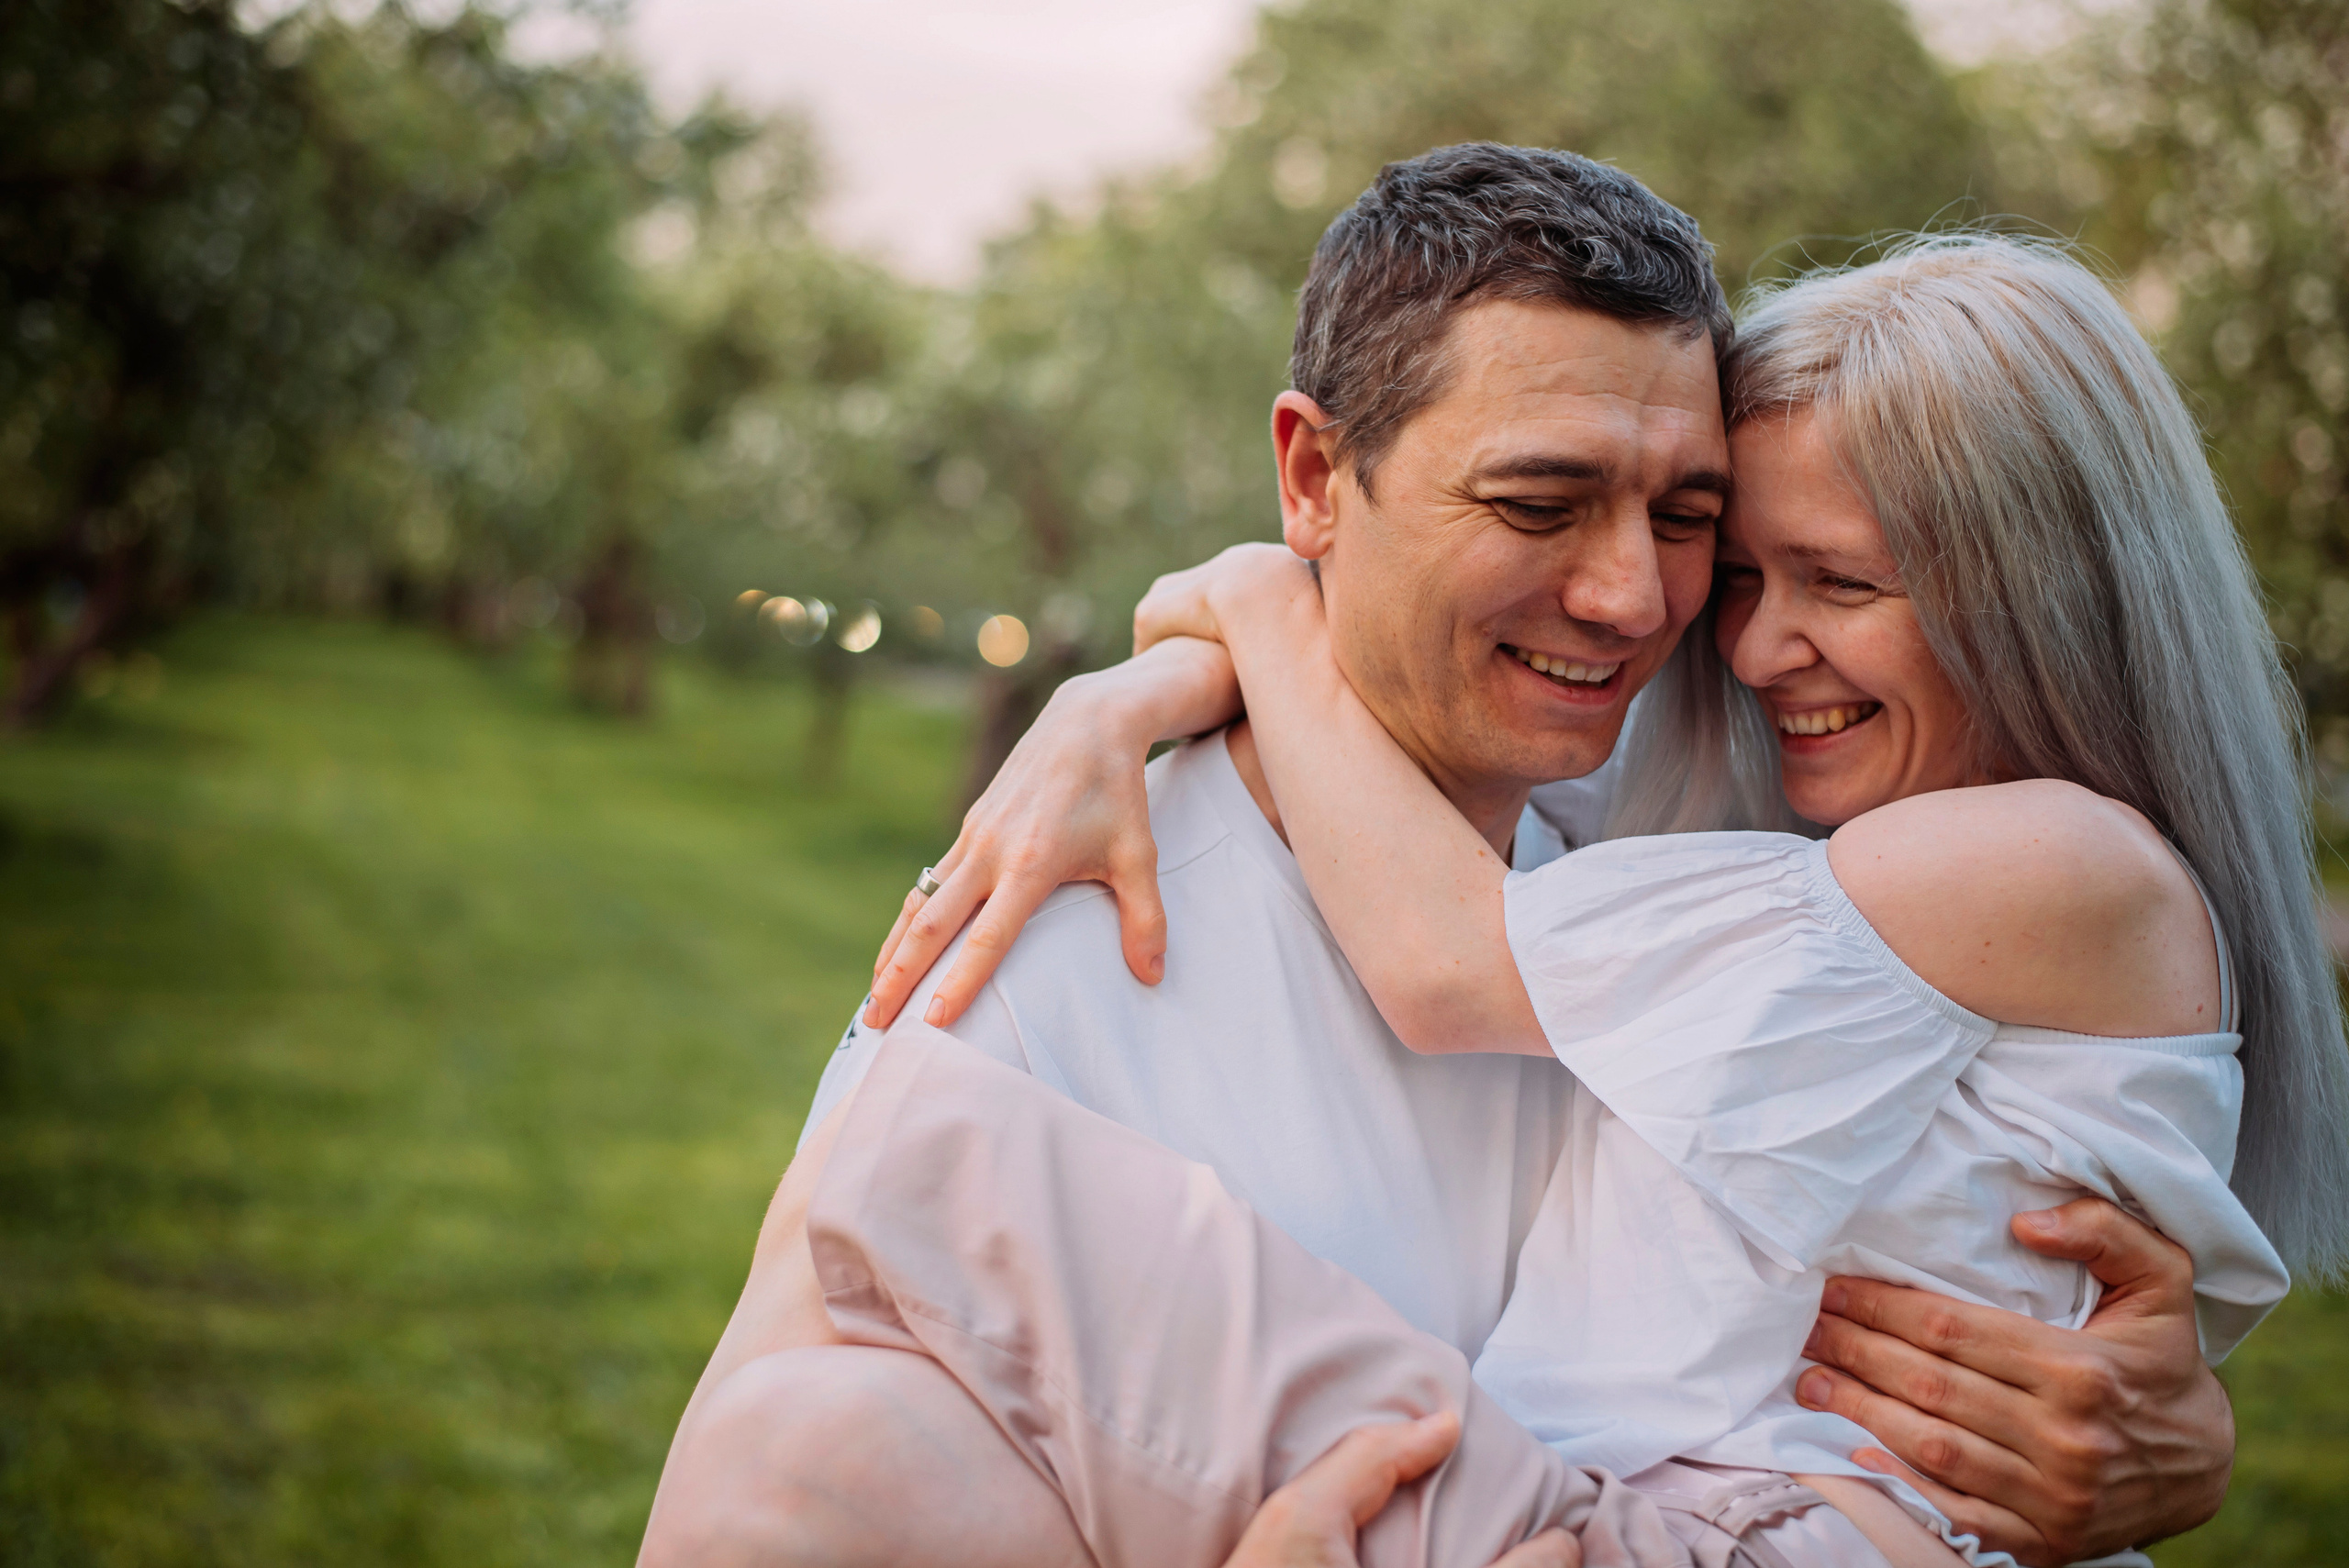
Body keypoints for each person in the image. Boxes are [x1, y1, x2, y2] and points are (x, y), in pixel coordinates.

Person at [639, 152, 2261, 1568]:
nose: (1649, 606)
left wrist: (2170, 1442)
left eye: (1686, 516)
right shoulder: (1044, 961)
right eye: (1542, 500)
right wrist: (1152, 680)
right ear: (1312, 479)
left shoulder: (1687, 839)